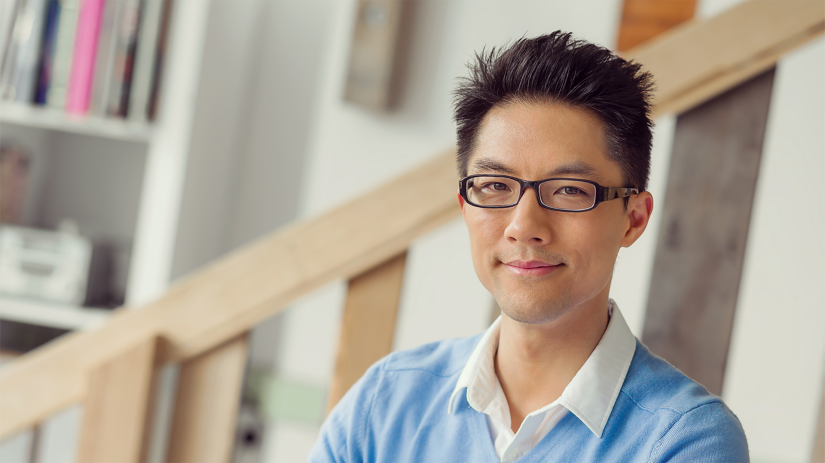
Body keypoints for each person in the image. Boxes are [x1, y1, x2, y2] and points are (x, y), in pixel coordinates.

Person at [308, 31, 748, 462]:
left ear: (633, 219)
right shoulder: (385, 402)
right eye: (496, 185)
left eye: (570, 191)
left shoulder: (684, 440)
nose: (524, 226)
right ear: (464, 206)